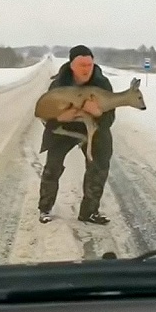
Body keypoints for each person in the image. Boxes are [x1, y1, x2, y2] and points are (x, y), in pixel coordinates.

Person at [38, 45, 114, 225]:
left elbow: (110, 117)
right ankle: (45, 208)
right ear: (71, 65)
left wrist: (98, 114)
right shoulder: (58, 85)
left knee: (99, 167)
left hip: (93, 130)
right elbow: (45, 112)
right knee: (52, 167)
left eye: (89, 65)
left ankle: (89, 212)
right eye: (82, 65)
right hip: (63, 130)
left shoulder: (102, 84)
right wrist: (59, 117)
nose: (86, 69)